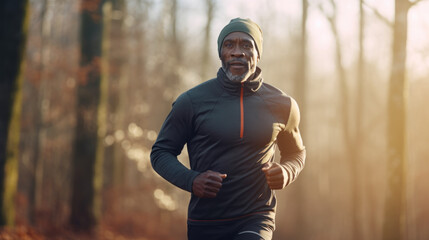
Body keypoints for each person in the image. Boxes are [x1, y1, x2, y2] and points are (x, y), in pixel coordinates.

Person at [151, 17, 306, 240]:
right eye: (229, 44)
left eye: (246, 45)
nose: (237, 52)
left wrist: (287, 171)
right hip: (205, 221)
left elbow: (296, 153)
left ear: (258, 54)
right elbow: (160, 153)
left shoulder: (283, 105)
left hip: (256, 216)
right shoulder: (192, 101)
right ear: (221, 53)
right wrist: (192, 180)